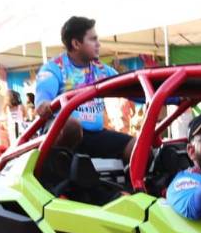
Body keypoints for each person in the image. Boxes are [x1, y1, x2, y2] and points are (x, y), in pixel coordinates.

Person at [34, 15, 134, 160]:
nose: (98, 44)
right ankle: (62, 171)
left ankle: (136, 182)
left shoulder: (102, 70)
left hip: (94, 136)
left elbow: (131, 86)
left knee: (135, 145)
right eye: (93, 39)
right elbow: (44, 93)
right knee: (72, 126)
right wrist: (43, 103)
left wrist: (172, 95)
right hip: (62, 135)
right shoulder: (55, 67)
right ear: (76, 43)